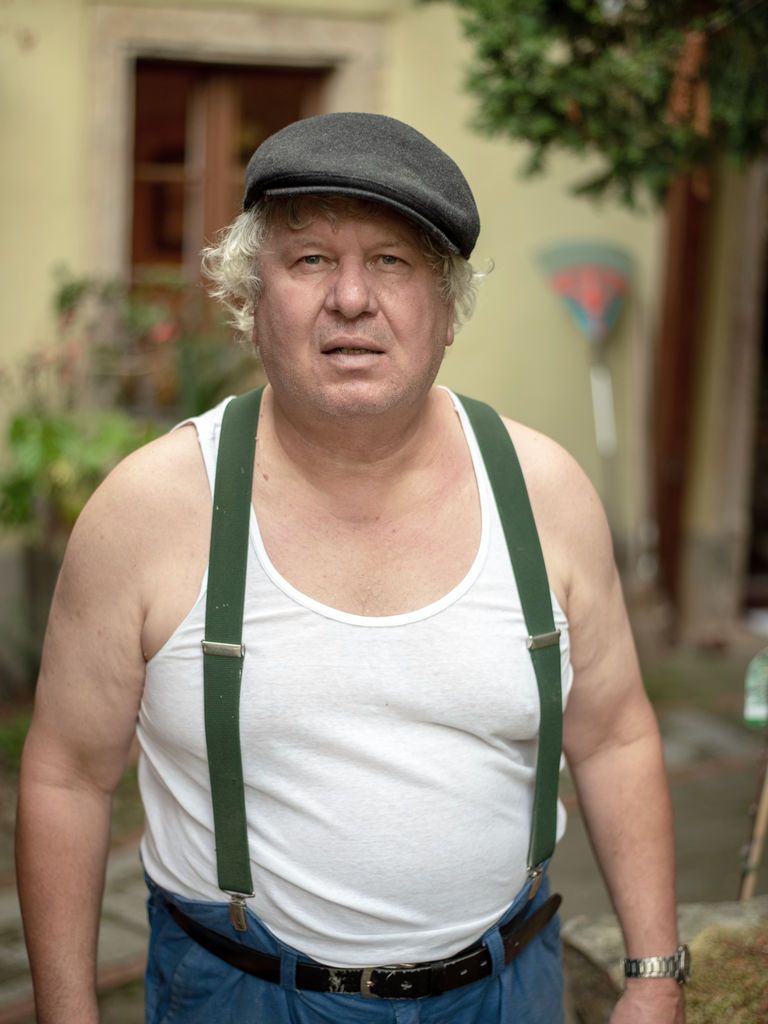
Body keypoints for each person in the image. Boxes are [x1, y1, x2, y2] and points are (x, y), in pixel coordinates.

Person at [16, 112, 687, 1024]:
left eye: (392, 262)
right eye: (310, 260)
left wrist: (655, 974)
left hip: (506, 992)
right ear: (252, 299)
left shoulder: (544, 492)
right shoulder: (151, 509)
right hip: (242, 998)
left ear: (446, 310)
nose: (351, 298)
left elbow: (614, 738)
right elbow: (65, 777)